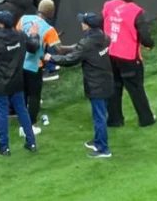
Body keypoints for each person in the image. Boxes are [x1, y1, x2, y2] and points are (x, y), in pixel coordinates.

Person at [45, 12, 114, 158]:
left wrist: (52, 58)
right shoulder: (102, 36)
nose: (81, 23)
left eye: (83, 21)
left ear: (88, 25)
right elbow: (82, 49)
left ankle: (103, 149)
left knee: (99, 116)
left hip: (96, 85)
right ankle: (98, 140)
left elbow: (70, 60)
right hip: (106, 80)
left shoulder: (88, 43)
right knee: (100, 114)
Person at [0, 9, 39, 156]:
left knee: (2, 114)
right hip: (17, 81)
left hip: (0, 84)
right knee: (22, 111)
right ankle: (31, 142)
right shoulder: (20, 35)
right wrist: (34, 33)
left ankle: (4, 147)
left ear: (0, 24)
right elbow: (34, 46)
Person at [102, 0, 156, 128]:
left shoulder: (108, 5)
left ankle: (115, 120)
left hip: (110, 53)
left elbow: (105, 21)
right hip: (128, 56)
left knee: (114, 87)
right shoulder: (137, 12)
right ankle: (146, 119)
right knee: (136, 88)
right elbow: (144, 36)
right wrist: (150, 44)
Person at [17, 0, 58, 131]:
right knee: (34, 96)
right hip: (35, 66)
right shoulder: (49, 29)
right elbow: (58, 49)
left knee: (22, 93)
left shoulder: (23, 19)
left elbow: (17, 36)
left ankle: (22, 123)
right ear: (51, 13)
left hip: (19, 63)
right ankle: (30, 125)